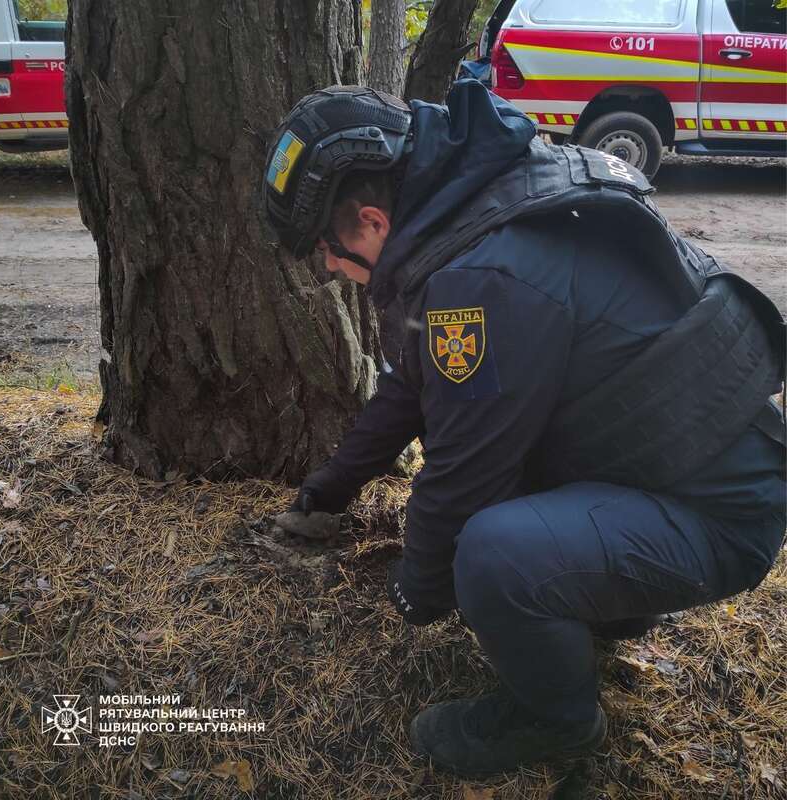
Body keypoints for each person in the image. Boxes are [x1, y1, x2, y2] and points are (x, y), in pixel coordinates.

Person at [262, 81, 786, 779]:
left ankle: (558, 720)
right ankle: (602, 603)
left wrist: (415, 591)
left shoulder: (478, 277)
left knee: (489, 550)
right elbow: (413, 385)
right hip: (677, 465)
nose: (328, 265)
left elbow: (460, 475)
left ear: (372, 222)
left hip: (716, 518)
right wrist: (328, 490)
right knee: (504, 514)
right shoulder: (477, 208)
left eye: (327, 248)